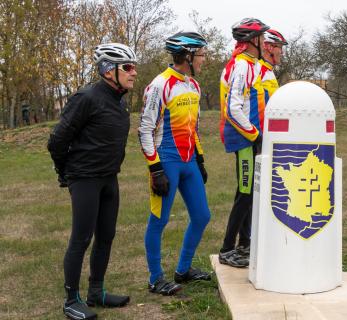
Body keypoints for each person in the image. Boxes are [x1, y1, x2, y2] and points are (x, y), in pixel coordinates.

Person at [48, 42, 137, 320]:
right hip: (85, 178)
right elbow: (57, 140)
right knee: (81, 238)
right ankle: (70, 300)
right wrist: (66, 172)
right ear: (109, 70)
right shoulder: (86, 97)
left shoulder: (118, 101)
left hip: (109, 178)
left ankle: (95, 292)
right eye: (128, 68)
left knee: (107, 235)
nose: (134, 73)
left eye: (134, 67)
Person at [139, 31, 212, 296]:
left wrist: (200, 158)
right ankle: (155, 278)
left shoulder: (194, 86)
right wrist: (155, 168)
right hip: (166, 160)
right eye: (202, 55)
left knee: (202, 215)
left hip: (189, 160)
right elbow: (145, 130)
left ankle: (183, 270)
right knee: (159, 219)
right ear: (188, 56)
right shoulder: (159, 85)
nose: (205, 59)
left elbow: (194, 128)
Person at [218, 17, 269, 268]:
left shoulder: (250, 63)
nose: (265, 42)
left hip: (248, 136)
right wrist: (254, 135)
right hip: (243, 138)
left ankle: (244, 243)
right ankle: (227, 248)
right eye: (261, 38)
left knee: (249, 193)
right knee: (245, 192)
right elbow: (232, 108)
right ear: (252, 41)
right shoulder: (241, 66)